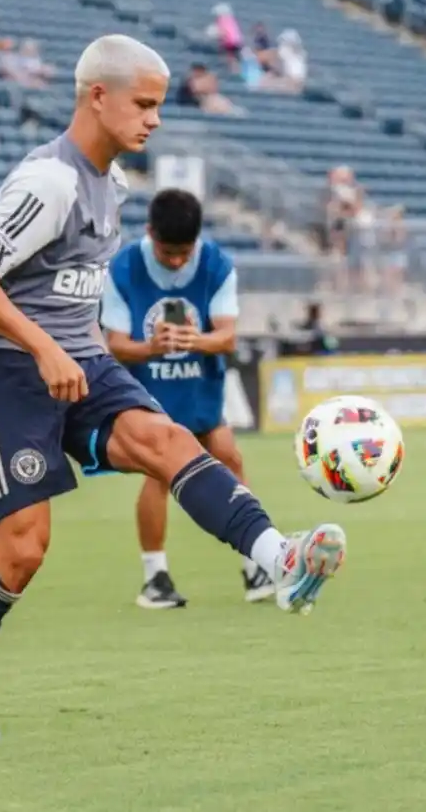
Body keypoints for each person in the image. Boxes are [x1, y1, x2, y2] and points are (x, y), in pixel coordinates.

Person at [0, 35, 346, 739]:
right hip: (9, 366)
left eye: (159, 105)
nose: (155, 119)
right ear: (97, 96)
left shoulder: (114, 186)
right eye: (145, 104)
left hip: (79, 358)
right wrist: (43, 346)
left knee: (168, 441)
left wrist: (75, 348)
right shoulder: (49, 182)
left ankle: (277, 557)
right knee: (23, 548)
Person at [100, 188, 274, 609]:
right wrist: (152, 348)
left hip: (200, 389)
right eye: (168, 252)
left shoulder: (216, 264)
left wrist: (194, 340)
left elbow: (227, 337)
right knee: (160, 474)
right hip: (149, 393)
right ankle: (155, 578)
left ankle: (256, 565)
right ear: (150, 233)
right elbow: (116, 345)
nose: (177, 261)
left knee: (229, 457)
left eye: (185, 252)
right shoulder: (123, 268)